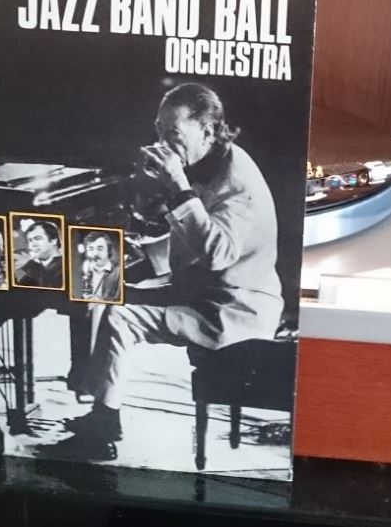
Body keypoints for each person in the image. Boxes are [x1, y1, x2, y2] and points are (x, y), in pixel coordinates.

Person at [56, 82, 283, 460]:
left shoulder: (238, 181)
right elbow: (180, 227)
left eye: (173, 134)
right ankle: (95, 402)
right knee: (107, 289)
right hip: (206, 290)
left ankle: (103, 426)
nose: (163, 143)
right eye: (158, 131)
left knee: (120, 318)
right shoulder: (207, 161)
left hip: (234, 310)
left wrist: (176, 184)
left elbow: (218, 254)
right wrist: (153, 199)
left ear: (208, 131)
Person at [14, 220, 63, 288]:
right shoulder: (32, 274)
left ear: (53, 240)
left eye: (37, 238)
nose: (32, 245)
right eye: (30, 240)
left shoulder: (67, 266)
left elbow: (56, 286)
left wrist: (29, 265)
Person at [78, 231, 121, 302]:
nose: (95, 253)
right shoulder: (80, 272)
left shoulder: (119, 272)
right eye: (91, 249)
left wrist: (101, 301)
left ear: (108, 250)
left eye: (100, 248)